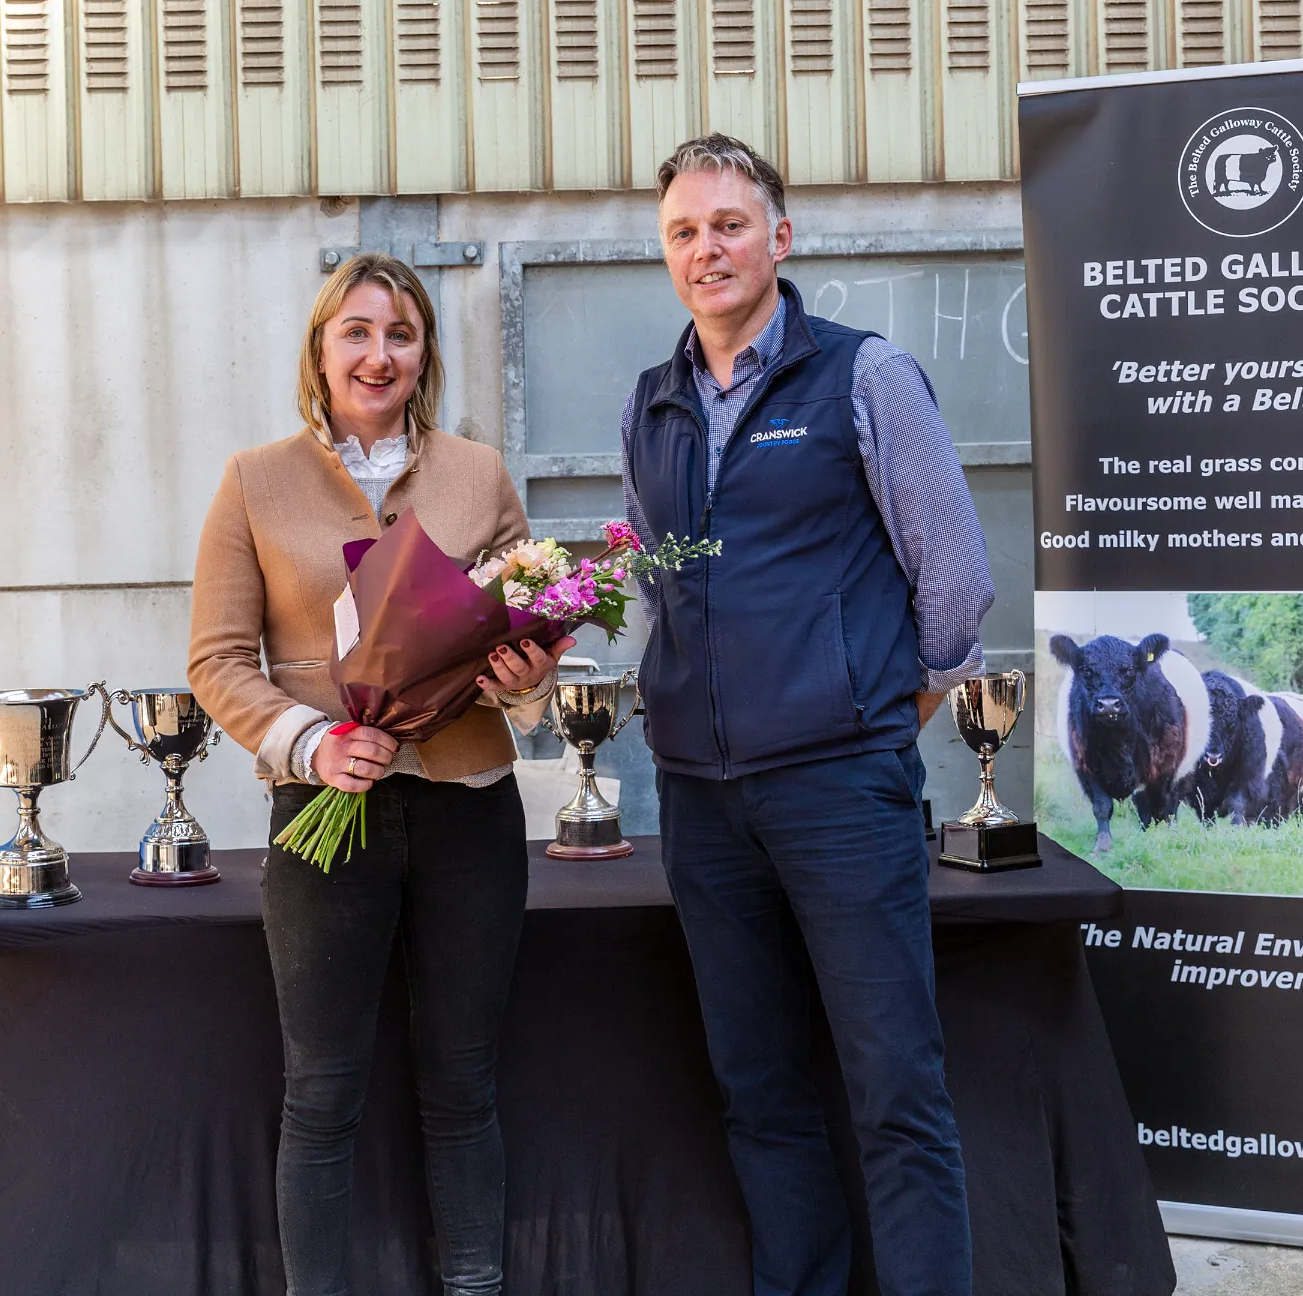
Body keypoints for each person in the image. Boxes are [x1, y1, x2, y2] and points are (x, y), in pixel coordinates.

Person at [619, 135, 995, 1296]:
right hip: (702, 802)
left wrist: (878, 714)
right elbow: (653, 580)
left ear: (781, 238)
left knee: (896, 1092)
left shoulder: (864, 377)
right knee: (761, 1091)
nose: (707, 248)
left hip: (842, 794)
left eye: (729, 224)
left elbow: (957, 582)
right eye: (685, 231)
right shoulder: (655, 402)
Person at [187, 252, 571, 1296]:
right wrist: (310, 742)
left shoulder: (477, 476)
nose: (378, 352)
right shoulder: (255, 481)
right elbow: (217, 661)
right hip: (326, 815)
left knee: (463, 1086)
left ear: (423, 355)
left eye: (400, 334)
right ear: (321, 348)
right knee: (322, 1092)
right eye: (356, 331)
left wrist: (527, 678)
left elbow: (523, 650)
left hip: (466, 815)